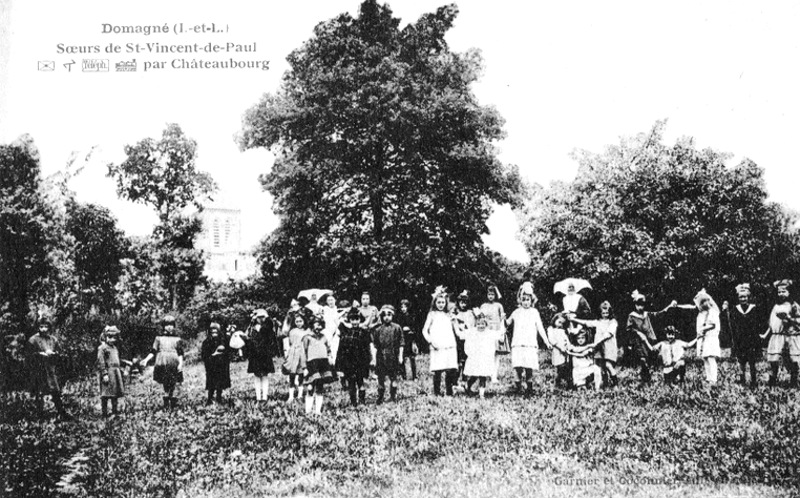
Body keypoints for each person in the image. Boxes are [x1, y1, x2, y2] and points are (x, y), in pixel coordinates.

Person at [625, 291, 676, 384]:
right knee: (642, 359)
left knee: (650, 359)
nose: (640, 307)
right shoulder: (632, 316)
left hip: (650, 339)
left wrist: (669, 306)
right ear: (635, 305)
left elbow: (659, 314)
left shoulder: (647, 314)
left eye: (642, 305)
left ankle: (647, 377)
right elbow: (629, 329)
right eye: (638, 305)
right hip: (639, 342)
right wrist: (638, 333)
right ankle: (646, 379)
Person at [505, 291, 551, 393]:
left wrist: (546, 341)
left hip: (530, 343)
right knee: (518, 366)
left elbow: (540, 327)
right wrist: (502, 318)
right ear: (520, 300)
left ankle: (529, 387)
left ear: (531, 300)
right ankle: (518, 387)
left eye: (528, 300)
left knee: (529, 366)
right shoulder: (516, 312)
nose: (526, 302)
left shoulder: (534, 312)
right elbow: (507, 323)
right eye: (523, 300)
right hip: (518, 343)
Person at [27, 316, 70, 419]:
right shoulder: (33, 340)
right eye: (41, 326)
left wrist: (54, 354)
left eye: (46, 327)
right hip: (39, 369)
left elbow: (60, 353)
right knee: (39, 392)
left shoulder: (53, 340)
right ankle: (40, 415)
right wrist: (40, 354)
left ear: (49, 327)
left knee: (55, 391)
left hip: (51, 369)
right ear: (38, 327)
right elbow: (29, 356)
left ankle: (61, 412)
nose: (44, 329)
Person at [721, 283, 764, 387]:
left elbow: (759, 322)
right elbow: (728, 322)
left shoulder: (754, 308)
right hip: (740, 338)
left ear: (748, 297)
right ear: (738, 298)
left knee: (752, 360)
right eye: (741, 297)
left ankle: (754, 380)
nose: (743, 299)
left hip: (752, 338)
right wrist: (724, 310)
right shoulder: (735, 310)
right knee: (741, 361)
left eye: (745, 297)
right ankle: (742, 379)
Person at [140, 315, 185, 410]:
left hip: (174, 363)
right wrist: (146, 360)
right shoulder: (158, 338)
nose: (169, 327)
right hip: (162, 363)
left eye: (171, 325)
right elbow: (153, 351)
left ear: (174, 326)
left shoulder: (177, 339)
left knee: (173, 382)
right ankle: (166, 401)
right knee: (165, 381)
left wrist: (181, 364)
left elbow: (180, 353)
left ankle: (172, 400)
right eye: (167, 325)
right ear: (163, 326)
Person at [677, 289, 721, 385]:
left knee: (710, 358)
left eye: (706, 301)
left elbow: (713, 324)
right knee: (705, 358)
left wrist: (703, 329)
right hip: (703, 338)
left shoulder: (713, 311)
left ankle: (713, 379)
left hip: (710, 338)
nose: (704, 304)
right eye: (702, 302)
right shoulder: (701, 313)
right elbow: (689, 307)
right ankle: (709, 378)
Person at [572, 301, 619, 388]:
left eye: (607, 312)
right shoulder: (598, 322)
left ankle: (615, 384)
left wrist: (596, 343)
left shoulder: (613, 322)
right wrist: (573, 319)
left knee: (608, 365)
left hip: (609, 347)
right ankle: (604, 384)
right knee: (600, 366)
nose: (605, 314)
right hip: (599, 347)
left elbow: (608, 334)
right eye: (603, 313)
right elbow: (586, 322)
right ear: (600, 313)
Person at [422, 286, 459, 395]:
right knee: (437, 370)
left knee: (450, 370)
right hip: (437, 345)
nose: (441, 305)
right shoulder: (432, 314)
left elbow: (456, 330)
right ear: (435, 303)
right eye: (439, 302)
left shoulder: (449, 315)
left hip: (449, 344)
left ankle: (449, 391)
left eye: (443, 302)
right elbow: (424, 330)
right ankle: (437, 392)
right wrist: (431, 341)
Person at [457, 312, 503, 398]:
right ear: (475, 324)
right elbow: (461, 335)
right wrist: (456, 324)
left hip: (485, 358)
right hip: (475, 357)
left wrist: (502, 321)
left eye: (483, 324)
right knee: (474, 375)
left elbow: (500, 334)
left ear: (486, 324)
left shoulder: (489, 332)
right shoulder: (472, 331)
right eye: (478, 324)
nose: (480, 326)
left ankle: (481, 394)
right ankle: (468, 386)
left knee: (483, 376)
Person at [763, 279, 800, 387]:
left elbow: (798, 322)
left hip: (788, 336)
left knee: (793, 360)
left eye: (783, 291)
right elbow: (772, 323)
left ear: (789, 292)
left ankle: (793, 380)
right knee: (773, 359)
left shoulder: (794, 306)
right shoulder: (775, 307)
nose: (781, 294)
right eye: (779, 292)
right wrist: (765, 335)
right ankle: (773, 378)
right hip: (776, 336)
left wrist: (788, 318)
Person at [336, 307, 372, 406]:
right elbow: (341, 350)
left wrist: (369, 361)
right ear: (350, 320)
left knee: (360, 382)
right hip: (349, 362)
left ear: (360, 320)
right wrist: (339, 366)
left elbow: (368, 348)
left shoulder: (364, 333)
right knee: (351, 383)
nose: (355, 322)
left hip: (361, 362)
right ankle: (353, 402)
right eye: (352, 319)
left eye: (357, 319)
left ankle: (362, 400)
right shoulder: (346, 333)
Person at [371, 305, 404, 404]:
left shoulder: (397, 328)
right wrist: (374, 359)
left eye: (389, 314)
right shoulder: (378, 330)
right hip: (381, 356)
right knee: (381, 378)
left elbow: (401, 343)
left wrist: (401, 356)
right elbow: (375, 346)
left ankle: (393, 396)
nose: (386, 317)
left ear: (393, 315)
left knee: (393, 377)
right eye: (384, 315)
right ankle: (380, 397)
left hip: (393, 355)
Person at [302, 318, 336, 414]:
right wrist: (304, 367)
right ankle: (308, 410)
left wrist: (330, 357)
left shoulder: (324, 337)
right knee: (310, 386)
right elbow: (303, 352)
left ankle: (317, 411)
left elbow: (328, 349)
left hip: (323, 363)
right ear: (312, 325)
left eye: (320, 325)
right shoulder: (307, 337)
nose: (318, 327)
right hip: (312, 363)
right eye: (316, 324)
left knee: (320, 386)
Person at [246, 309, 279, 401]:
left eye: (262, 317)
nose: (260, 319)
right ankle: (258, 397)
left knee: (264, 375)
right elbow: (247, 338)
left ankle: (264, 396)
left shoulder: (268, 328)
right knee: (257, 375)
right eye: (258, 317)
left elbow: (272, 338)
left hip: (265, 354)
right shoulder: (251, 328)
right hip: (254, 355)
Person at [480, 284, 508, 384]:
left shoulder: (499, 306)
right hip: (486, 332)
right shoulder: (483, 306)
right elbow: (480, 319)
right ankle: (486, 373)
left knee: (496, 355)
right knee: (487, 353)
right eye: (489, 294)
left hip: (496, 331)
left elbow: (502, 321)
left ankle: (494, 375)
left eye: (492, 294)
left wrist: (501, 333)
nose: (491, 296)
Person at [97, 325, 126, 417]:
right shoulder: (102, 348)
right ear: (105, 337)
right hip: (108, 372)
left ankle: (114, 411)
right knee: (105, 394)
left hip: (115, 373)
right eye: (109, 337)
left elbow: (116, 359)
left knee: (115, 393)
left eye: (114, 338)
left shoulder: (114, 348)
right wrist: (104, 373)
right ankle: (104, 413)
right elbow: (101, 361)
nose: (112, 340)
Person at [281, 314, 310, 402]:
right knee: (292, 375)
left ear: (304, 321)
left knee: (301, 375)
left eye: (300, 321)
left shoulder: (307, 331)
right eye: (297, 321)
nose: (299, 323)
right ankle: (291, 396)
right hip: (293, 353)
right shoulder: (292, 331)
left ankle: (300, 395)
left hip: (303, 354)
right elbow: (289, 342)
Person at [201, 322, 231, 405]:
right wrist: (213, 355)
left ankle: (219, 398)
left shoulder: (223, 341)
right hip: (211, 366)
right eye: (212, 331)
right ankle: (209, 398)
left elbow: (228, 352)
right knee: (211, 383)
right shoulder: (206, 342)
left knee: (220, 383)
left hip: (221, 365)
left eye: (216, 331)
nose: (214, 333)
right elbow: (204, 355)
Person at [566, 325, 601, 390]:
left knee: (597, 369)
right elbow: (576, 349)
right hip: (578, 370)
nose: (580, 340)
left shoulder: (589, 348)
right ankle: (582, 384)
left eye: (582, 338)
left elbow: (582, 354)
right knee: (581, 389)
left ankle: (597, 388)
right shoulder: (574, 347)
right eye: (578, 338)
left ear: (586, 338)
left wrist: (570, 353)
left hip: (587, 368)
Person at [452, 290, 475, 389]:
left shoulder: (470, 313)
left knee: (466, 361)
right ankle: (455, 381)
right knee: (458, 362)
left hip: (468, 339)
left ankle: (465, 381)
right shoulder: (455, 313)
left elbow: (472, 325)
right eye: (461, 302)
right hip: (458, 340)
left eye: (465, 302)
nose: (463, 305)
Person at [396, 299, 418, 380]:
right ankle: (403, 375)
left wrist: (410, 329)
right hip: (402, 339)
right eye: (402, 307)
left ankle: (414, 375)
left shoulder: (411, 316)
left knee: (412, 358)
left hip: (410, 339)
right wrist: (403, 329)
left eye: (405, 307)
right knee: (402, 357)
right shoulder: (399, 317)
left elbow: (414, 327)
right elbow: (398, 327)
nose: (403, 309)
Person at [547, 314, 571, 389]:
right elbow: (551, 340)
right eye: (559, 322)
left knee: (565, 365)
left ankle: (565, 381)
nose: (561, 324)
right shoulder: (551, 329)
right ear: (555, 320)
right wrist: (560, 348)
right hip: (557, 350)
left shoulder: (563, 330)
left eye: (562, 323)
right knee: (560, 366)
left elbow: (566, 339)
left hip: (564, 351)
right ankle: (559, 381)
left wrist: (568, 346)